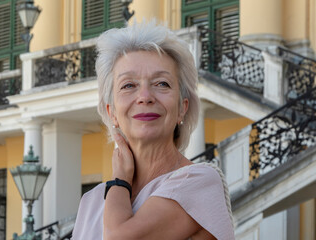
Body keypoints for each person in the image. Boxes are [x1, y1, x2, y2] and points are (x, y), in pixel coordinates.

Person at [71, 21, 235, 240]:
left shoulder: (198, 182)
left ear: (181, 109)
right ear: (112, 113)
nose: (145, 96)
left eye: (162, 84)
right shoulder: (92, 201)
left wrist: (120, 179)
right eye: (128, 85)